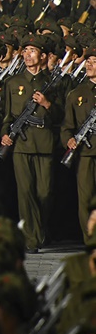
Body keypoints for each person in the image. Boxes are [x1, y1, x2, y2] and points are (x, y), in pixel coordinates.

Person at [1, 34, 63, 253]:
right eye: (25, 51)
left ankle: (40, 228)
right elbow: (7, 116)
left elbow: (61, 117)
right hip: (21, 145)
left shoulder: (53, 82)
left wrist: (47, 104)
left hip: (44, 143)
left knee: (44, 193)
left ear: (43, 55)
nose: (27, 55)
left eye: (33, 51)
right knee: (25, 192)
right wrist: (5, 134)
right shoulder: (13, 83)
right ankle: (31, 239)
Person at [62, 46, 96, 238]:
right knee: (85, 199)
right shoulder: (76, 93)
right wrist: (69, 140)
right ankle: (90, 238)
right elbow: (67, 125)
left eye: (94, 62)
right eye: (88, 61)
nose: (89, 65)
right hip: (84, 154)